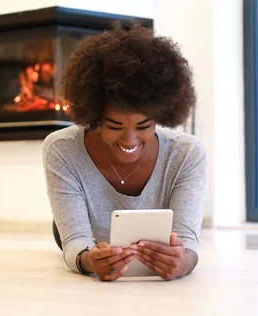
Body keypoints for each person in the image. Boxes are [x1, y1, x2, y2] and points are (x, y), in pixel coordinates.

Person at [42, 22, 207, 282]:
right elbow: (76, 242)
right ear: (95, 117)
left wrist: (183, 261)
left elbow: (188, 243)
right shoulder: (62, 148)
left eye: (144, 126)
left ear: (161, 116)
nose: (130, 139)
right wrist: (87, 260)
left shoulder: (186, 153)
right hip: (88, 230)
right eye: (114, 125)